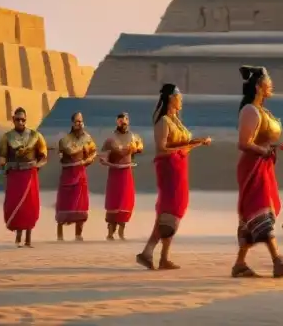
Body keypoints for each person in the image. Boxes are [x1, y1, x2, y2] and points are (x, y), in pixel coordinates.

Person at [136, 84, 212, 271]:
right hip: (169, 168)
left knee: (173, 210)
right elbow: (162, 148)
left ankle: (156, 255)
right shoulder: (163, 122)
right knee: (170, 209)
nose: (181, 100)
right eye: (179, 97)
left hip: (179, 167)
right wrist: (185, 147)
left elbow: (183, 144)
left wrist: (199, 142)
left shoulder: (176, 120)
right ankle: (155, 255)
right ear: (171, 98)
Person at [232, 66, 283, 278]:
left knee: (257, 212)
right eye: (269, 81)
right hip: (252, 167)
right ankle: (277, 261)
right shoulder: (250, 110)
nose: (272, 85)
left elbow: (262, 141)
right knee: (260, 210)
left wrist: (277, 148)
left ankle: (240, 264)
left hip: (263, 165)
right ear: (259, 86)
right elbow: (244, 143)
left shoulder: (263, 111)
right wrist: (264, 150)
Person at [0, 106, 49, 247]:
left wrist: (36, 166)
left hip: (29, 174)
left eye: (23, 120)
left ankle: (28, 239)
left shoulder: (36, 136)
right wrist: (2, 165)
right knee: (14, 204)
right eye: (18, 119)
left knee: (30, 205)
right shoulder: (6, 137)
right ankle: (18, 237)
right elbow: (2, 156)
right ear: (13, 120)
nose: (21, 122)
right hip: (14, 174)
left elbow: (43, 156)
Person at [100, 111, 144, 240]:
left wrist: (135, 149)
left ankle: (121, 231)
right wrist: (107, 162)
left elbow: (140, 148)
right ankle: (110, 231)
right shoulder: (110, 139)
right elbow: (103, 156)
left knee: (126, 201)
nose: (123, 123)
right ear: (117, 122)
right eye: (120, 121)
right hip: (114, 172)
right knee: (113, 200)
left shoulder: (134, 137)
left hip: (126, 172)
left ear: (128, 122)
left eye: (125, 121)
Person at [56, 111, 97, 241]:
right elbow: (60, 155)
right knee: (64, 203)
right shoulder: (64, 140)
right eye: (77, 121)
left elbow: (93, 153)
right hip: (68, 174)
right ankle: (60, 234)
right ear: (72, 123)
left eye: (81, 121)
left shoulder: (88, 139)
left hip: (80, 173)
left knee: (81, 204)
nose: (79, 123)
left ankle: (78, 234)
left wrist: (86, 161)